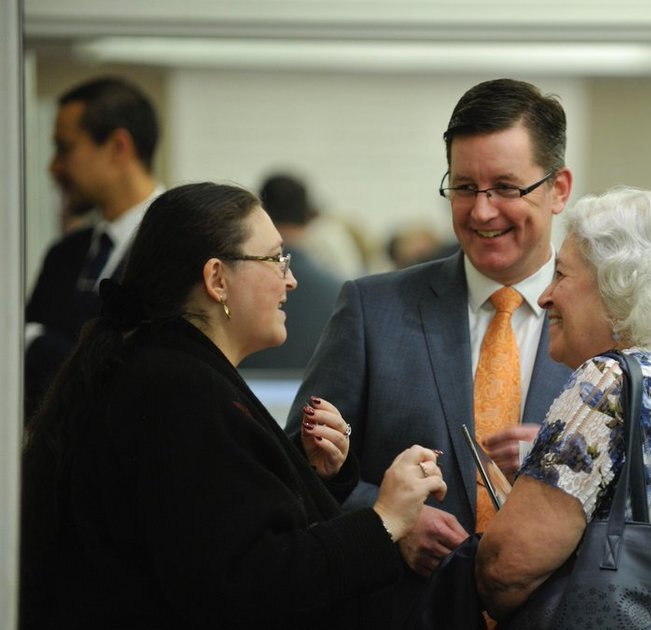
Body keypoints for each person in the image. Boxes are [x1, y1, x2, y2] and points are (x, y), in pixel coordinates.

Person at [20, 183, 447, 630]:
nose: (291, 278)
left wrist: (308, 471)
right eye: (275, 259)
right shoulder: (177, 391)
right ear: (217, 279)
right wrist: (385, 520)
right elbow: (254, 581)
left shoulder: (169, 370)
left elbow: (223, 518)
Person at [286, 78, 574, 626]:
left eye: (507, 188)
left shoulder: (612, 325)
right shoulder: (373, 310)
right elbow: (293, 471)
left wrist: (572, 460)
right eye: (465, 187)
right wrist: (385, 521)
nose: (483, 212)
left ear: (558, 188)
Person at [476, 187, 651, 628]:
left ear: (618, 284)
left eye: (562, 276)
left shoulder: (608, 382)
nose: (545, 297)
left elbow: (506, 566)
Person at [25, 76, 165, 421]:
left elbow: (135, 380)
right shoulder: (64, 254)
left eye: (65, 148)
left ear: (118, 146)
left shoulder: (180, 247)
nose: (54, 167)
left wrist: (38, 343)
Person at [239, 173, 344, 372]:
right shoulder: (340, 292)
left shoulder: (237, 285)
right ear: (308, 217)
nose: (289, 282)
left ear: (263, 214)